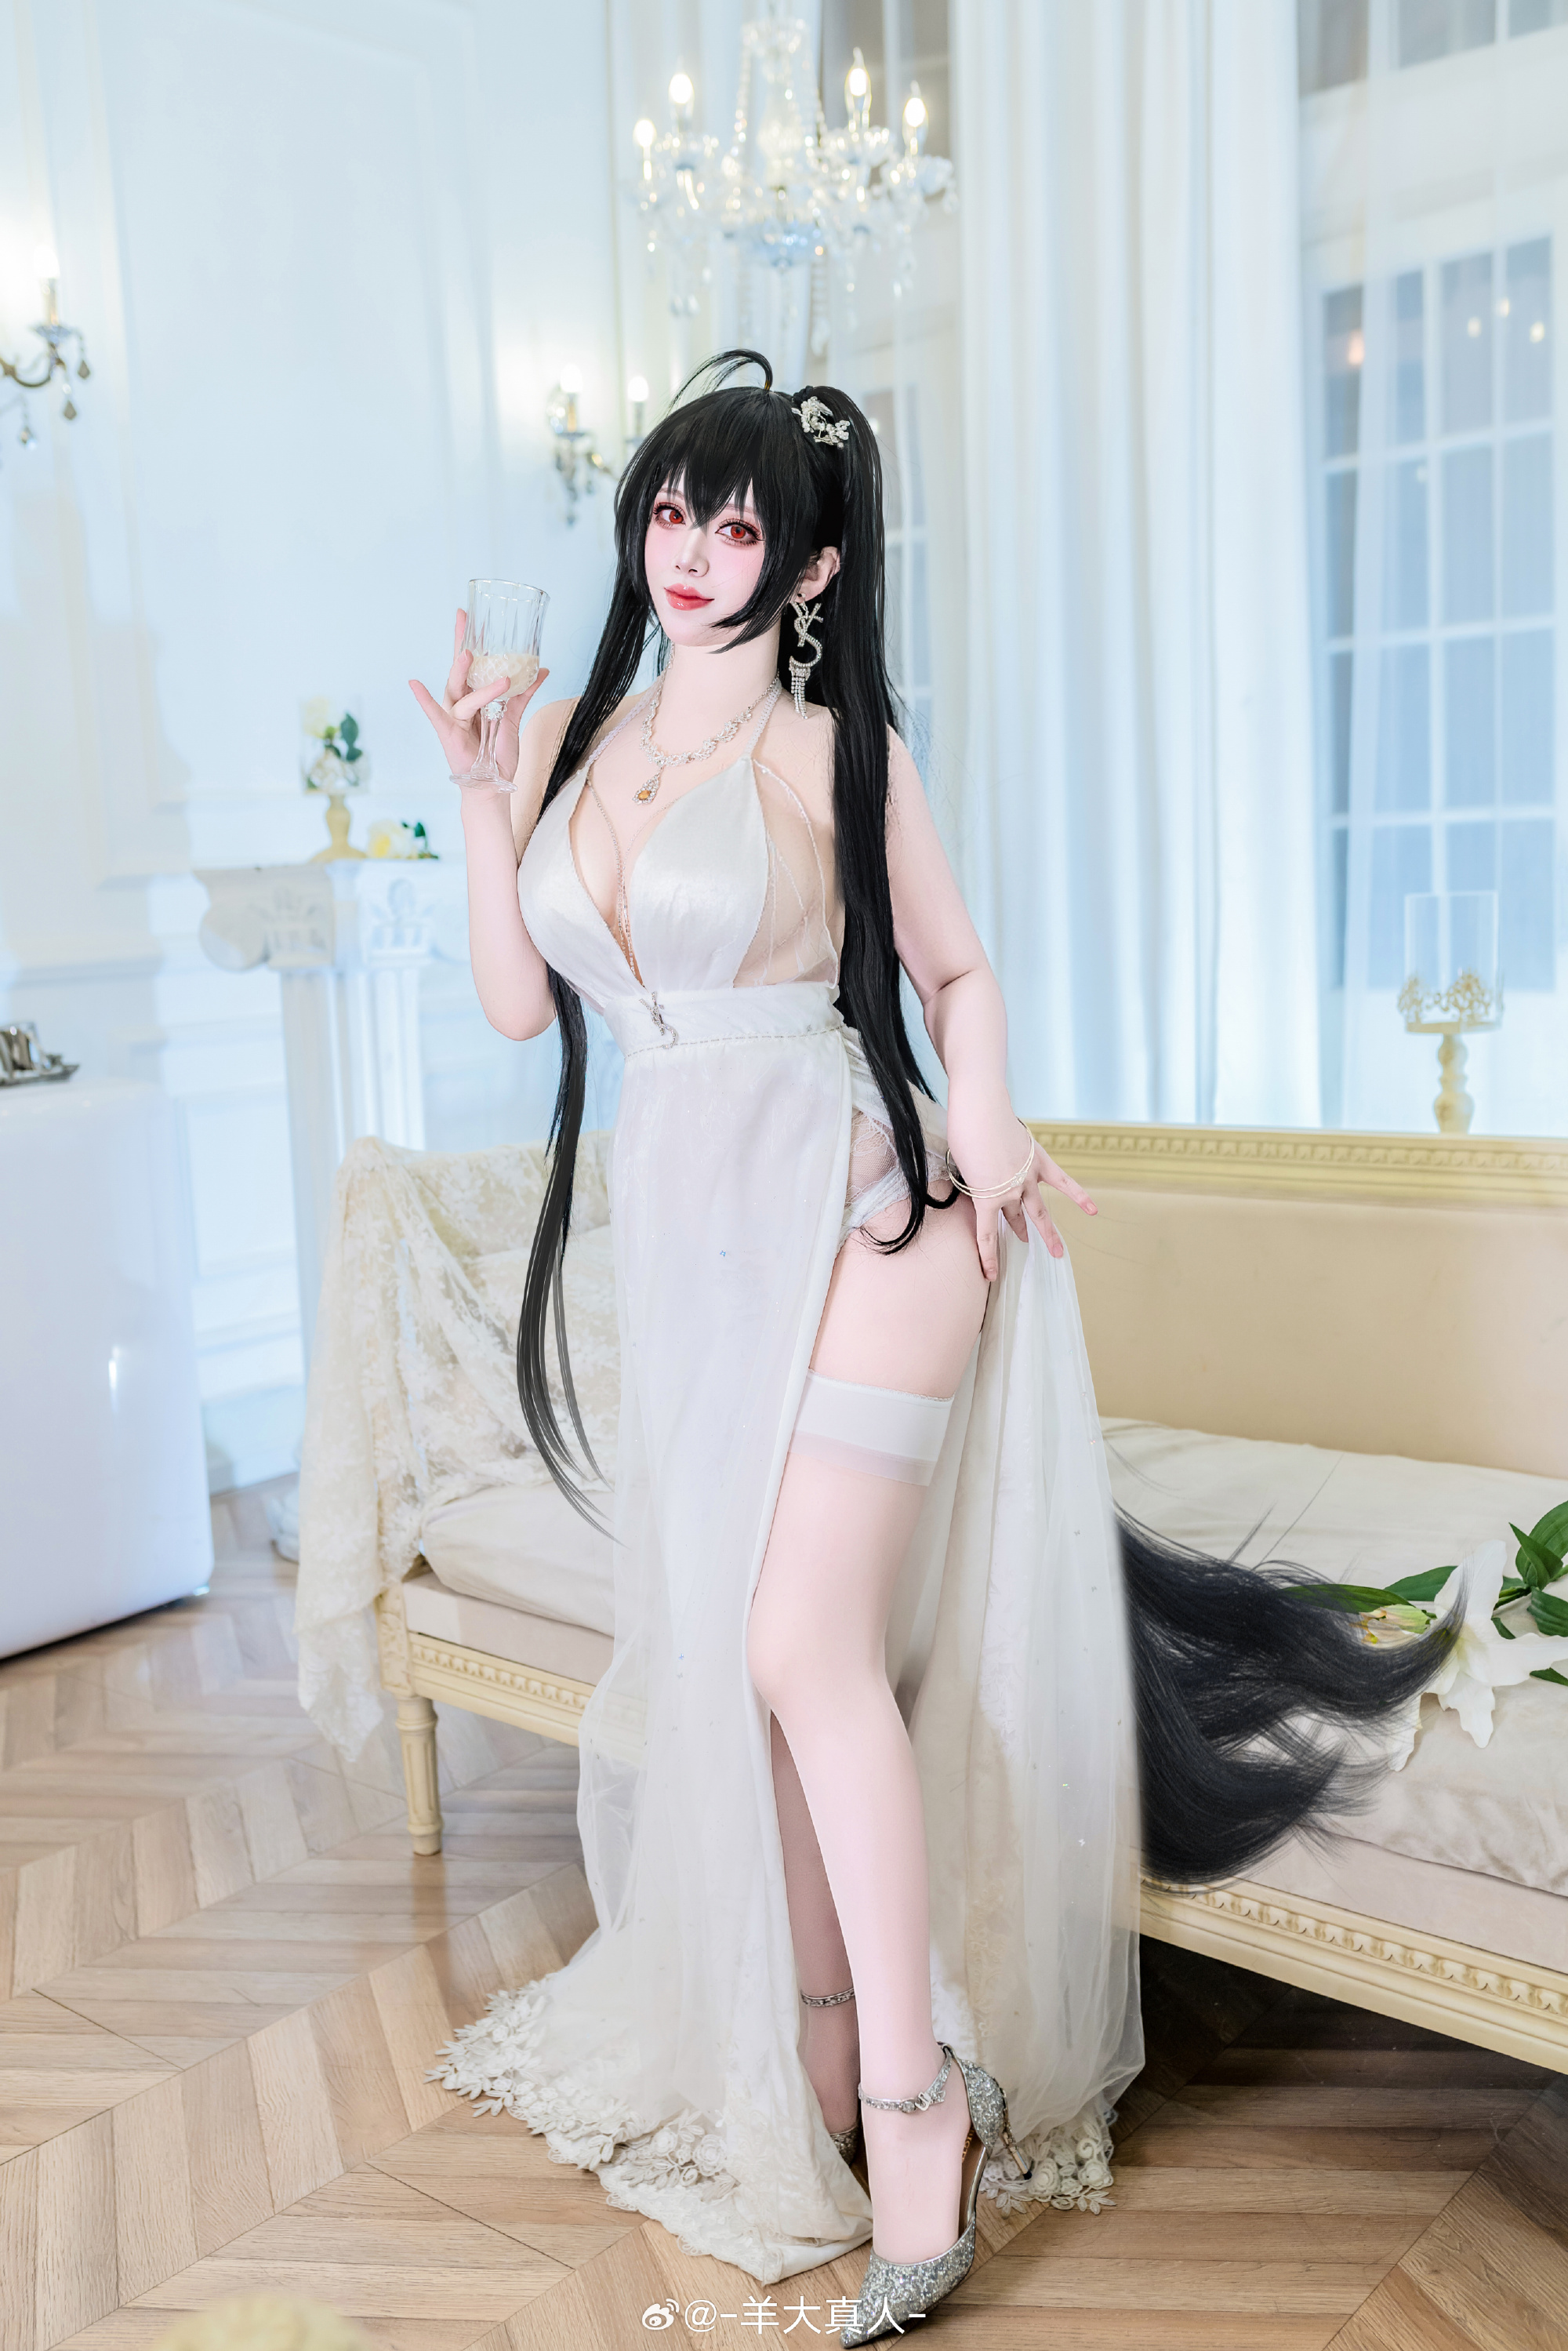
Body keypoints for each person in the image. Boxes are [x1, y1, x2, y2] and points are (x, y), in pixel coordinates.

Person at [408, 353, 1439, 2344]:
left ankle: (914, 2111)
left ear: (808, 569)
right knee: (753, 1662)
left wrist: (987, 1119)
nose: (690, 550)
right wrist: (476, 793)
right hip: (697, 1246)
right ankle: (825, 2048)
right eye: (670, 512)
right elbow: (524, 1007)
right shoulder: (582, 741)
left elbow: (953, 969)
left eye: (736, 526)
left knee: (801, 1644)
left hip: (876, 1212)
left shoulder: (836, 748)